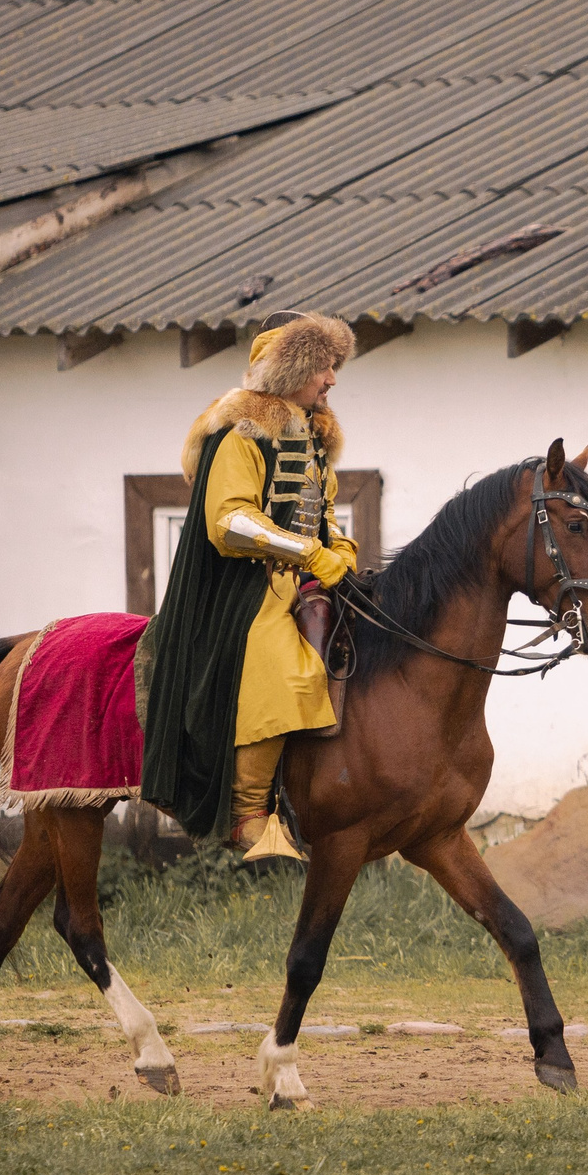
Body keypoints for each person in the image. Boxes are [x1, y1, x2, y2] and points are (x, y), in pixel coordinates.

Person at [137, 312, 359, 863]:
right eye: (323, 367)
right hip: (242, 590)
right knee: (284, 665)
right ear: (292, 369)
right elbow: (229, 522)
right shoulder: (239, 433)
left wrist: (341, 552)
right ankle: (248, 814)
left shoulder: (311, 437)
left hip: (300, 581)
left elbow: (321, 513)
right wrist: (310, 554)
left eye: (334, 367)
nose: (332, 379)